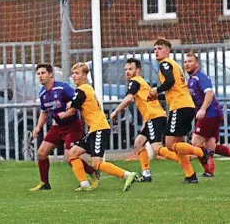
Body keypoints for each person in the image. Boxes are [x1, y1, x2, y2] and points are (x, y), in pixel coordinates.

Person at [59, 63, 137, 192]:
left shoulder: (82, 89)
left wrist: (64, 111)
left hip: (99, 128)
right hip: (94, 129)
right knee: (72, 154)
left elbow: (74, 107)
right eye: (72, 73)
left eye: (77, 73)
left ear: (84, 75)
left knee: (97, 163)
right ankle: (84, 184)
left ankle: (128, 175)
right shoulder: (86, 89)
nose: (73, 76)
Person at [30, 63, 100, 191]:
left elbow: (76, 101)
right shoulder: (42, 93)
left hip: (73, 126)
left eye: (43, 73)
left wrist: (68, 111)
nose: (40, 76)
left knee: (69, 157)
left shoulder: (63, 88)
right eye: (38, 74)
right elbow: (44, 112)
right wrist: (38, 127)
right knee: (41, 153)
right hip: (58, 127)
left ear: (50, 74)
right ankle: (44, 183)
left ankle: (92, 172)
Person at [148, 38, 209, 183]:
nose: (156, 51)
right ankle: (190, 176)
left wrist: (156, 90)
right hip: (185, 105)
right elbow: (174, 89)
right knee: (178, 144)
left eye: (160, 48)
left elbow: (170, 83)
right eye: (155, 48)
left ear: (168, 50)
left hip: (180, 107)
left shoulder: (165, 64)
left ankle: (200, 151)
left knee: (169, 144)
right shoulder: (175, 65)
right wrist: (159, 96)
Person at [109, 58, 178, 182]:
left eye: (131, 69)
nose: (127, 72)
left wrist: (115, 111)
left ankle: (182, 159)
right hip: (153, 116)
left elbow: (129, 99)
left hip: (154, 116)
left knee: (157, 148)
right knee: (138, 143)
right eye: (126, 70)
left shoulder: (135, 81)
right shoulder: (141, 82)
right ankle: (146, 174)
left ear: (138, 70)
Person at [183, 52, 230, 177]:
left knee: (196, 142)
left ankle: (208, 168)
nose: (187, 64)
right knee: (210, 145)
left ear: (197, 64)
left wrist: (202, 109)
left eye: (190, 61)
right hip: (213, 113)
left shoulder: (201, 77)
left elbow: (209, 93)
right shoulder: (191, 79)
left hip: (210, 113)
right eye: (185, 62)